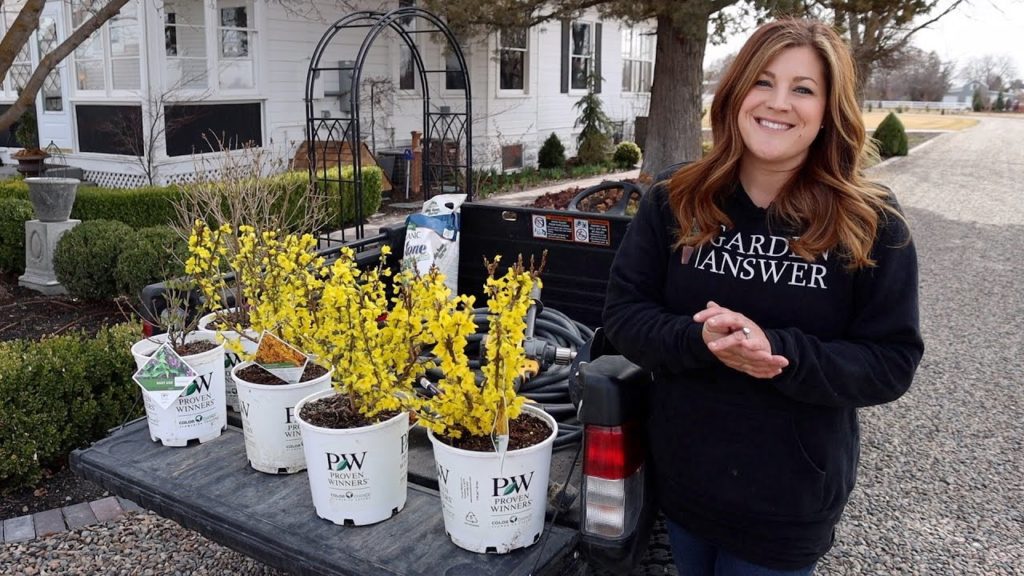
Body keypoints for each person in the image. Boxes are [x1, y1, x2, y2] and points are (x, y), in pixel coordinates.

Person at [602, 18, 924, 575]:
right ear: (735, 94)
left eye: (803, 89)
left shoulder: (869, 221)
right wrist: (699, 338)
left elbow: (891, 362)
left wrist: (780, 353)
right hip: (685, 481)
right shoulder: (676, 199)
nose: (778, 103)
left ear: (828, 111)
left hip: (788, 501)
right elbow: (623, 318)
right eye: (763, 82)